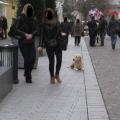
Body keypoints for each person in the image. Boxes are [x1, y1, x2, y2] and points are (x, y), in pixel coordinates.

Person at [39, 8, 62, 84]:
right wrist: (40, 45)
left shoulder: (57, 22)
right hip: (48, 44)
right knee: (51, 62)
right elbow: (42, 35)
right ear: (45, 15)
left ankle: (57, 74)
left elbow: (59, 33)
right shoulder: (43, 24)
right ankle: (52, 77)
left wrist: (62, 39)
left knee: (59, 60)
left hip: (57, 44)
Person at [16, 3, 37, 83]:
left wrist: (32, 34)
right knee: (27, 59)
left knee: (33, 58)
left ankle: (26, 72)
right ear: (25, 10)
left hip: (31, 41)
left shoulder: (33, 19)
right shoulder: (20, 18)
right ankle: (28, 76)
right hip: (22, 41)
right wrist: (25, 34)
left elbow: (36, 29)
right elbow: (16, 29)